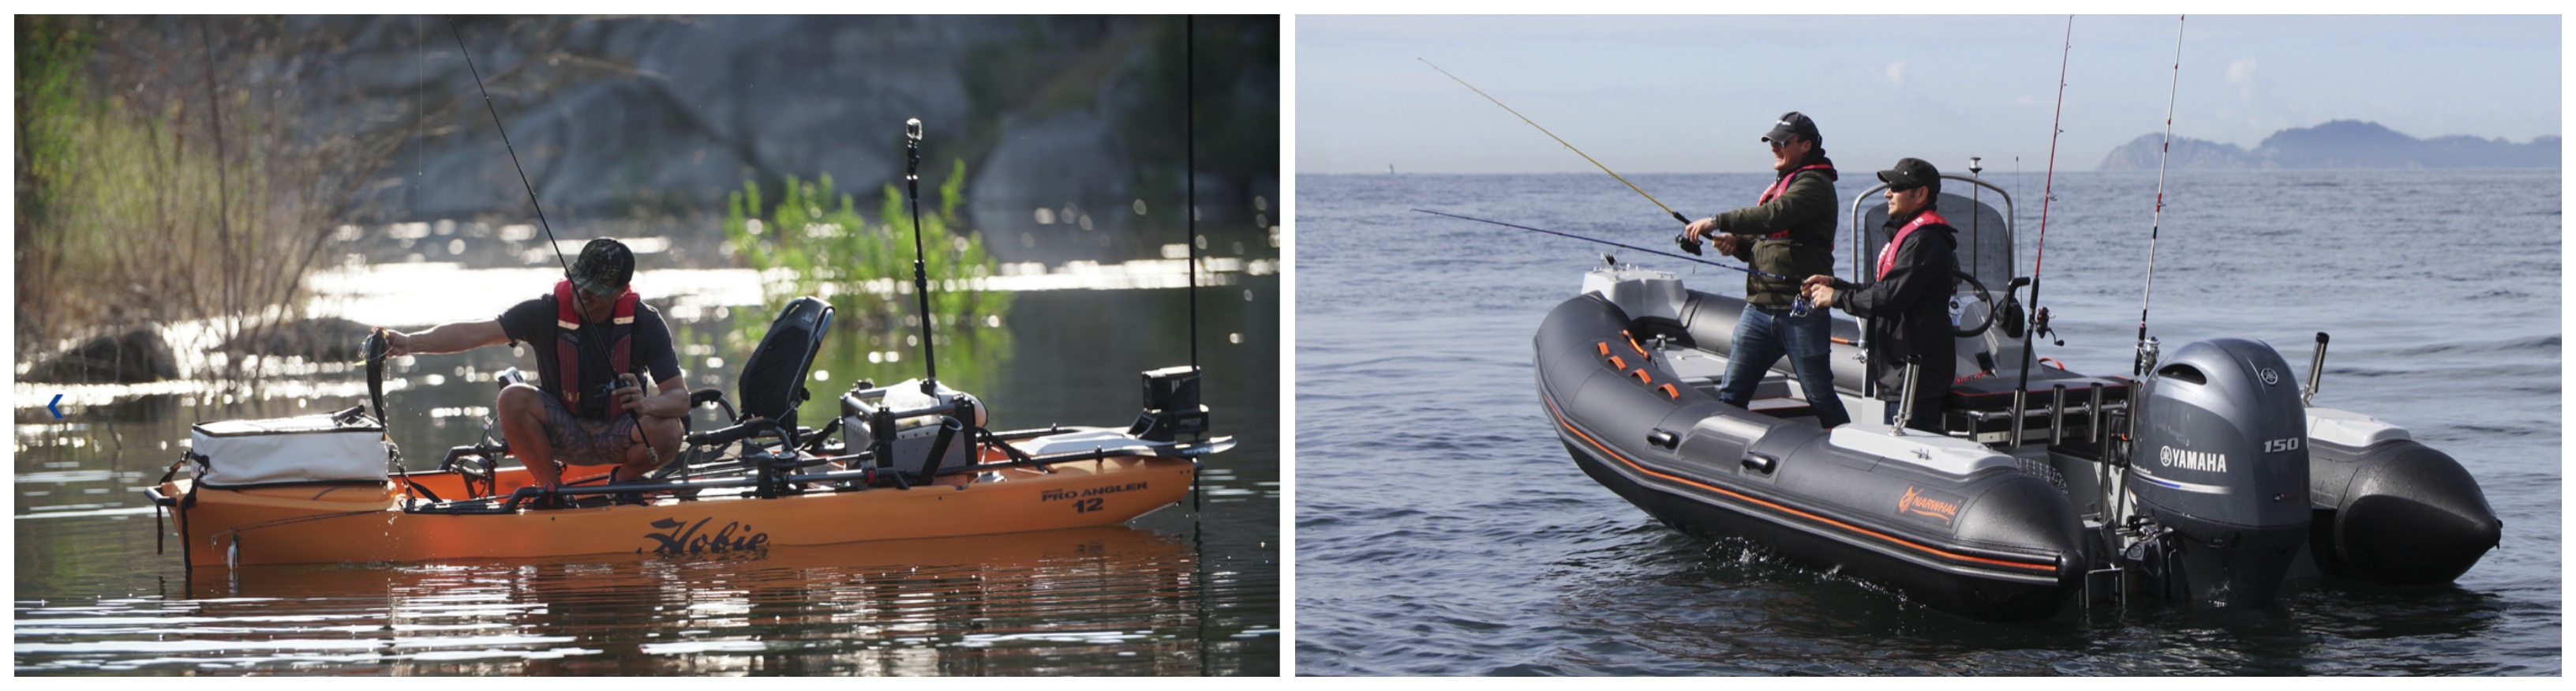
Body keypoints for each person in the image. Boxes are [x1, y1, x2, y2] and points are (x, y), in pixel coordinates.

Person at [381, 238, 688, 493]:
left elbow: (680, 398)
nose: (584, 294)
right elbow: (475, 332)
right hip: (564, 430)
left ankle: (622, 484)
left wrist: (647, 404)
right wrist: (409, 343)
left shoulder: (646, 322)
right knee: (512, 397)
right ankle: (553, 492)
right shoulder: (544, 311)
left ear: (623, 290)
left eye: (597, 289)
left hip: (622, 432)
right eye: (580, 282)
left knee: (669, 429)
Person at [1681, 111, 1850, 428]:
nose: (1774, 147)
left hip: (1801, 314)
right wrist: (1738, 244)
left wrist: (1717, 221)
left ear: (1805, 145)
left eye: (1781, 142)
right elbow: (1769, 238)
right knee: (1732, 394)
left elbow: (1774, 216)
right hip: (1758, 311)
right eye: (1772, 142)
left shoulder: (1815, 184)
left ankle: (1854, 455)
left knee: (1820, 397)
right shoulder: (1784, 183)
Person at [1802, 157, 1960, 433]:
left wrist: (1836, 298)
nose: (1887, 193)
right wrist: (1837, 285)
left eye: (1896, 187)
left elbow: (1890, 297)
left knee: (1911, 451)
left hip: (1913, 374)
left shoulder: (1925, 241)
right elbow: (1883, 288)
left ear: (1921, 194)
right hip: (1899, 369)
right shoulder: (1911, 235)